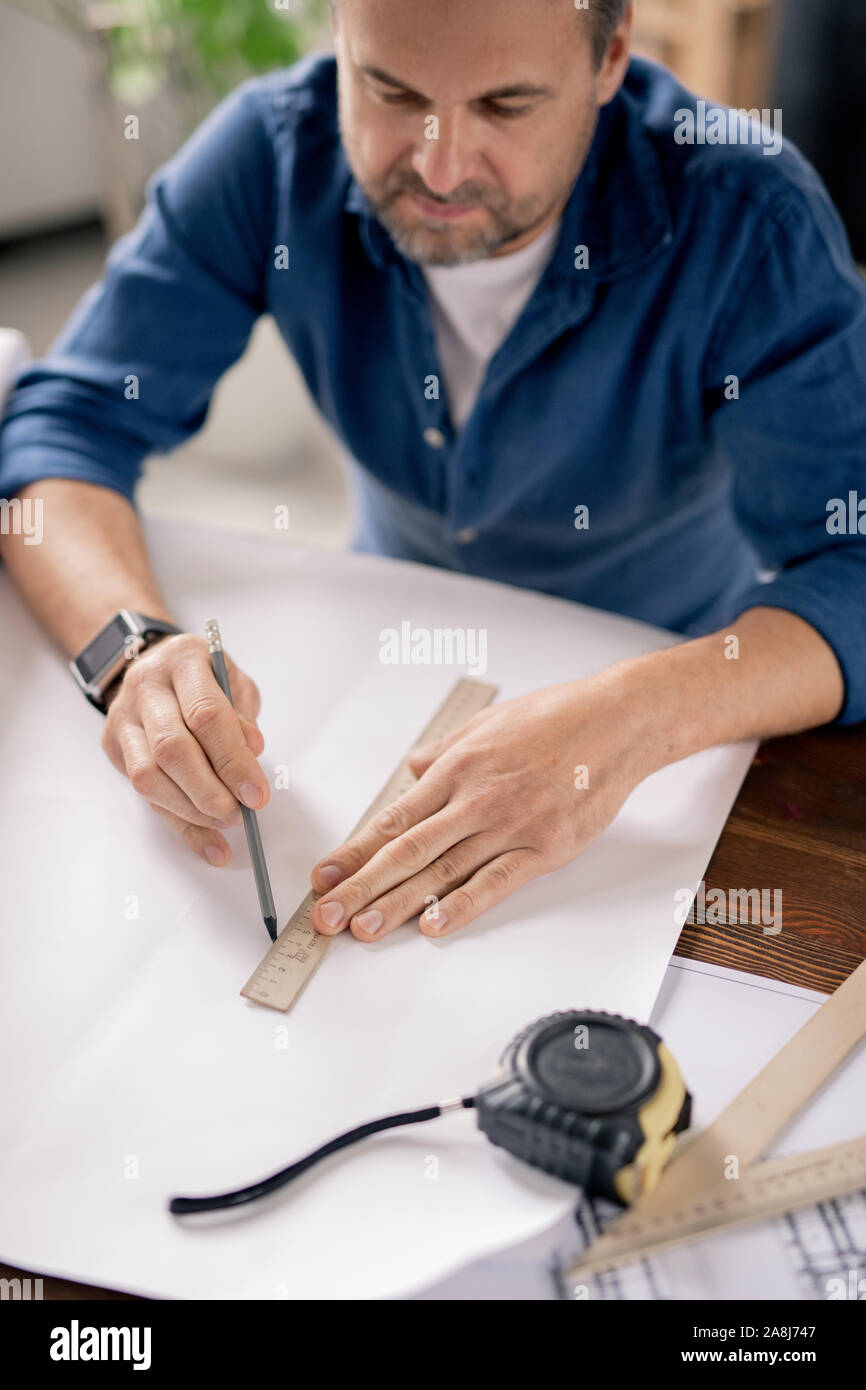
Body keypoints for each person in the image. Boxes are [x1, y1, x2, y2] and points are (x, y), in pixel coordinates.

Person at [1, 0, 864, 946]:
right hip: (369, 662)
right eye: (391, 89)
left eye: (506, 105)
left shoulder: (751, 219)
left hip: (670, 682)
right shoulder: (273, 149)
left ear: (611, 55)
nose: (440, 165)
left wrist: (632, 719)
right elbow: (65, 426)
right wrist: (132, 653)